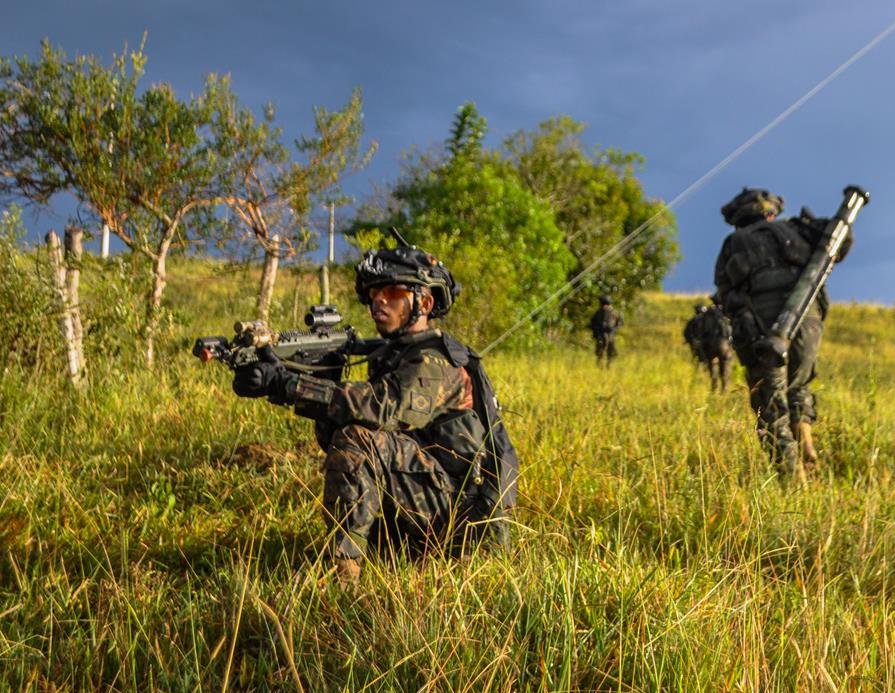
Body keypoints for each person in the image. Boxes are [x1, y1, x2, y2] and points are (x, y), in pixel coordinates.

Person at [230, 238, 518, 582]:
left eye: (393, 292)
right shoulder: (393, 354)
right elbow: (341, 431)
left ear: (424, 302)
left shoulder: (435, 360)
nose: (379, 300)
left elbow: (381, 409)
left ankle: (344, 577)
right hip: (424, 500)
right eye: (374, 293)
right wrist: (294, 375)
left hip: (460, 517)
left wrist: (288, 386)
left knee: (359, 437)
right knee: (345, 431)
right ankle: (375, 550)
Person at [713, 187, 851, 477]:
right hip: (808, 322)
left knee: (770, 402)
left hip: (763, 331)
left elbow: (725, 292)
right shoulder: (796, 230)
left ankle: (792, 482)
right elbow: (840, 242)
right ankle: (806, 440)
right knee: (799, 385)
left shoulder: (735, 242)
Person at [683, 299, 733, 392]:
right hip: (724, 343)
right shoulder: (723, 314)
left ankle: (714, 386)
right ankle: (725, 388)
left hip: (709, 345)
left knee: (710, 363)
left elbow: (691, 333)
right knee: (725, 364)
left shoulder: (703, 318)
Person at [589, 295, 623, 367]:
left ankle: (608, 365)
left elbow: (619, 323)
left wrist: (614, 329)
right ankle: (602, 365)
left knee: (609, 351)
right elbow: (593, 323)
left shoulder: (612, 312)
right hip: (602, 335)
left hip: (608, 335)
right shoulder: (600, 312)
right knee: (601, 351)